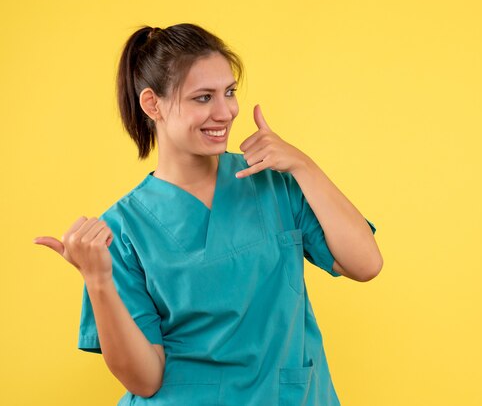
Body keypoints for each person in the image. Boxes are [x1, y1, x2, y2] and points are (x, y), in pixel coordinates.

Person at [33, 23, 382, 405]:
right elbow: (144, 379)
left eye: (229, 92)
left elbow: (365, 264)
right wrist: (98, 280)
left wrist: (303, 164)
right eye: (203, 98)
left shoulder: (273, 181)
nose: (225, 112)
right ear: (153, 104)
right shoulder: (122, 230)